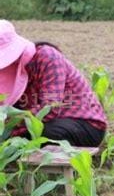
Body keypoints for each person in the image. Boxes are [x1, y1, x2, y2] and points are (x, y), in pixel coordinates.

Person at [0, 19, 107, 147]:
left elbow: (50, 108)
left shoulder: (47, 57)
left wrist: (12, 123)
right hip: (48, 122)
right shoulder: (10, 72)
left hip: (85, 125)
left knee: (41, 134)